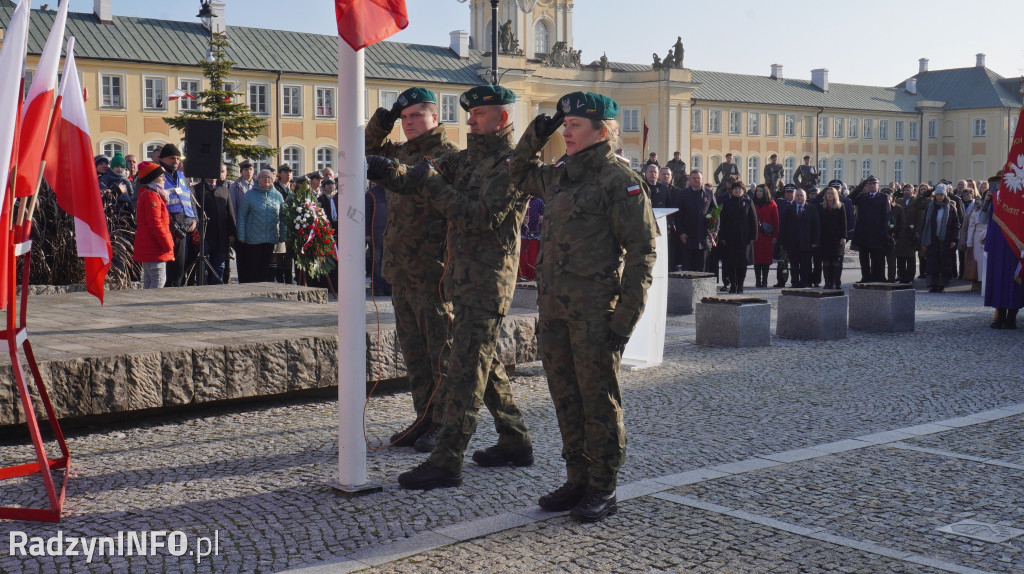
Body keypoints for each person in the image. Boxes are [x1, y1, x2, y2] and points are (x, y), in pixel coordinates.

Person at [367, 85, 533, 489]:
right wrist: (392, 166)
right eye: (470, 114)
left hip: (470, 277)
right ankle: (513, 438)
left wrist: (424, 180)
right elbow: (414, 179)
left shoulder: (507, 164)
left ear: (503, 119)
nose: (471, 121)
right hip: (456, 274)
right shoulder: (470, 160)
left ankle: (446, 451)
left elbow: (477, 217)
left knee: (460, 368)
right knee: (478, 361)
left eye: (478, 115)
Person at [509, 91, 657, 522]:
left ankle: (603, 486)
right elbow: (517, 176)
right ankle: (577, 477)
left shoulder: (618, 181)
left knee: (598, 402)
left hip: (595, 314)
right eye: (565, 124)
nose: (567, 131)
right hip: (555, 311)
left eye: (575, 125)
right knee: (565, 398)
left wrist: (626, 318)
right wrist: (535, 137)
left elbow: (643, 252)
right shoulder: (560, 174)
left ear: (603, 131)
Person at [365, 86, 458, 451]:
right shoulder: (401, 149)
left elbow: (414, 180)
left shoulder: (448, 156)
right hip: (402, 268)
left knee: (440, 352)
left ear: (435, 117)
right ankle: (424, 417)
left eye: (416, 116)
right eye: (403, 118)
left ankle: (445, 423)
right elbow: (366, 152)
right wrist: (381, 121)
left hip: (432, 269)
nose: (408, 123)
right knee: (414, 353)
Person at [982, 174, 1023, 328]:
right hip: (998, 244)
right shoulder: (995, 198)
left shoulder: (1019, 199)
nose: (999, 185)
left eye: (1001, 182)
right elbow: (987, 221)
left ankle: (1011, 317)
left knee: (1013, 282)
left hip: (1014, 245)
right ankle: (1000, 314)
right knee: (998, 280)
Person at [158, 143, 197, 287]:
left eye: (177, 158)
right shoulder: (156, 173)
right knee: (166, 266)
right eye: (172, 158)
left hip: (184, 224)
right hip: (167, 224)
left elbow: (189, 199)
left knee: (179, 266)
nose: (176, 161)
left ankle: (176, 290)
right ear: (162, 159)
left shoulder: (181, 175)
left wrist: (194, 219)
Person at [236, 169, 286, 283]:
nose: (266, 179)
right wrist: (241, 236)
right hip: (253, 239)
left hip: (270, 238)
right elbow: (242, 216)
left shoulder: (278, 196)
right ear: (258, 179)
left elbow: (283, 217)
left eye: (269, 177)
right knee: (254, 268)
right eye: (263, 177)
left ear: (273, 179)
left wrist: (283, 236)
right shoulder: (249, 195)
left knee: (266, 268)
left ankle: (262, 293)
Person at [132, 162, 174, 289]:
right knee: (157, 282)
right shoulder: (152, 195)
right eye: (161, 176)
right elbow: (155, 224)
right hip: (155, 247)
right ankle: (150, 307)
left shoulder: (149, 193)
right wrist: (167, 244)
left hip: (152, 247)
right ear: (153, 178)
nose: (164, 179)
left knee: (150, 282)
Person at [717, 180, 758, 293]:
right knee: (730, 263)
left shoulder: (748, 202)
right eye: (735, 188)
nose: (737, 190)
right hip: (730, 238)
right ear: (731, 190)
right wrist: (723, 237)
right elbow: (722, 221)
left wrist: (753, 237)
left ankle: (740, 285)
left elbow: (753, 220)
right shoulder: (726, 203)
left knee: (742, 263)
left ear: (743, 191)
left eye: (740, 189)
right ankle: (733, 285)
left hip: (744, 238)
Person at [920, 183, 961, 292]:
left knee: (944, 262)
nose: (939, 197)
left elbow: (956, 225)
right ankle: (932, 284)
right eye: (937, 194)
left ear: (945, 195)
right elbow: (925, 224)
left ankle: (942, 284)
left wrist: (954, 239)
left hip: (945, 239)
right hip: (932, 239)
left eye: (941, 195)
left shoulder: (951, 208)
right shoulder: (931, 207)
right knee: (932, 261)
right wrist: (923, 240)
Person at [849, 175, 890, 282]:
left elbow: (886, 216)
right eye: (870, 184)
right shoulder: (862, 196)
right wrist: (861, 185)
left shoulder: (883, 197)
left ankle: (879, 277)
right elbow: (850, 198)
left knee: (878, 257)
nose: (872, 186)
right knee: (864, 258)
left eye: (874, 184)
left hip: (877, 233)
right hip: (864, 233)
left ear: (878, 185)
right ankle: (866, 277)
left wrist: (885, 233)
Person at [201, 163, 236, 285]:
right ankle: (204, 287)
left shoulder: (224, 190)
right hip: (205, 234)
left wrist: (232, 232)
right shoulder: (198, 189)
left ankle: (217, 287)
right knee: (204, 264)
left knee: (219, 265)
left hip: (221, 234)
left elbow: (230, 212)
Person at [675, 170, 717, 272]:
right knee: (687, 269)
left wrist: (715, 230)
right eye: (693, 178)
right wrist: (681, 233)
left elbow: (715, 213)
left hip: (703, 238)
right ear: (689, 180)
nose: (696, 180)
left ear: (702, 180)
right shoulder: (682, 194)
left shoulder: (709, 193)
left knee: (701, 269)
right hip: (687, 237)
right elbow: (677, 216)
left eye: (698, 178)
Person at [779, 188, 820, 287]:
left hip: (807, 242)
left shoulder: (812, 208)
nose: (799, 197)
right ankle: (794, 282)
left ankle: (804, 283)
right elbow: (783, 226)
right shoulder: (789, 208)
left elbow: (816, 226)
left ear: (805, 197)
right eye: (797, 195)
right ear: (794, 197)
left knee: (805, 265)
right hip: (792, 242)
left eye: (801, 195)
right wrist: (782, 242)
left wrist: (815, 241)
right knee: (794, 265)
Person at [818, 186, 848, 289]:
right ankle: (827, 282)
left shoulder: (840, 206)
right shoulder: (821, 207)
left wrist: (844, 237)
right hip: (825, 239)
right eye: (828, 193)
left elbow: (844, 223)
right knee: (826, 262)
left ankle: (836, 282)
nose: (829, 195)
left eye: (831, 193)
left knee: (836, 263)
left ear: (835, 195)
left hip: (837, 239)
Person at [894, 183, 924, 283]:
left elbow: (920, 219)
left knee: (910, 256)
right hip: (900, 232)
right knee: (900, 256)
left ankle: (910, 277)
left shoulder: (916, 202)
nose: (906, 192)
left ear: (913, 191)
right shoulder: (898, 201)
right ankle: (901, 276)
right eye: (905, 190)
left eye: (909, 190)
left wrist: (918, 232)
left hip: (911, 232)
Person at [271, 164, 295, 284]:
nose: (288, 173)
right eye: (285, 171)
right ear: (279, 174)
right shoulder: (275, 188)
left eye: (290, 171)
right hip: (279, 225)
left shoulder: (292, 189)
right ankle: (280, 279)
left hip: (291, 226)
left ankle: (289, 279)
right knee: (280, 253)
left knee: (289, 254)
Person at [364, 184, 389, 295]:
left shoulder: (394, 191)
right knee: (377, 262)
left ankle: (388, 287)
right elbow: (367, 215)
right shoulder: (371, 194)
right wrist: (367, 233)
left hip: (390, 235)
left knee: (387, 262)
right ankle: (378, 287)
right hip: (377, 234)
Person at [751, 184, 778, 288]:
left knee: (766, 259)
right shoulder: (753, 203)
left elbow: (776, 221)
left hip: (767, 235)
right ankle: (758, 280)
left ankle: (765, 281)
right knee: (756, 259)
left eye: (761, 191)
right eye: (757, 191)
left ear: (765, 192)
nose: (758, 193)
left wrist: (775, 235)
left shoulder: (772, 204)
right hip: (756, 235)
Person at [965, 188, 989, 289]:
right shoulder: (976, 210)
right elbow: (971, 227)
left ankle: (988, 282)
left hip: (990, 236)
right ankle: (978, 282)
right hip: (978, 238)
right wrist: (969, 242)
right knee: (978, 261)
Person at [519, 196, 543, 281]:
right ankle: (521, 276)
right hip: (521, 233)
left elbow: (544, 214)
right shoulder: (520, 199)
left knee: (532, 257)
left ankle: (531, 277)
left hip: (534, 234)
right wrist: (521, 220)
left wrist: (541, 219)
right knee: (521, 256)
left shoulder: (539, 201)